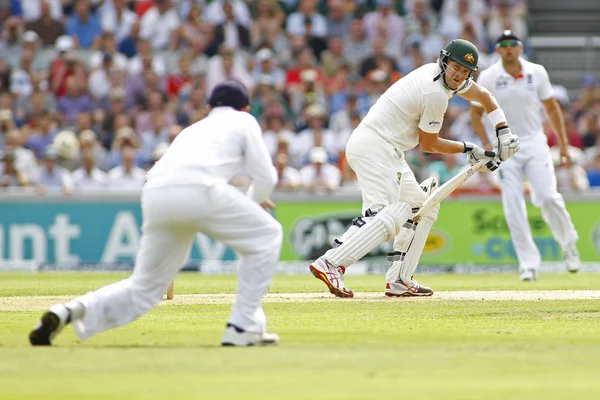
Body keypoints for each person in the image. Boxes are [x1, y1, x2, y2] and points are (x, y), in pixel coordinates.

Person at [30, 80, 283, 347]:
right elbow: (266, 176)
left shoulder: (193, 129)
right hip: (198, 189)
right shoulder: (244, 121)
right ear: (246, 108)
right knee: (267, 235)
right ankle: (242, 326)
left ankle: (68, 311)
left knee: (143, 288)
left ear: (209, 107)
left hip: (155, 192)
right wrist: (253, 200)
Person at [308, 39, 520, 298]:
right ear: (444, 61)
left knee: (424, 207)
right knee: (386, 213)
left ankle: (399, 278)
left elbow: (485, 96)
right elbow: (429, 144)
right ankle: (331, 263)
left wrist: (503, 131)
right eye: (456, 68)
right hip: (375, 145)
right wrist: (471, 149)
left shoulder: (443, 76)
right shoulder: (435, 93)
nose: (460, 75)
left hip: (389, 150)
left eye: (466, 72)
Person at [470, 30, 581, 281]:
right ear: (498, 50)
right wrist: (488, 144)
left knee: (548, 197)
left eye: (513, 44)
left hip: (534, 143)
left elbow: (552, 108)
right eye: (504, 45)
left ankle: (568, 245)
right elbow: (475, 115)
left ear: (520, 48)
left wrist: (563, 144)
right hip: (504, 147)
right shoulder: (488, 77)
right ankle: (528, 263)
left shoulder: (537, 72)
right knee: (513, 205)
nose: (509, 48)